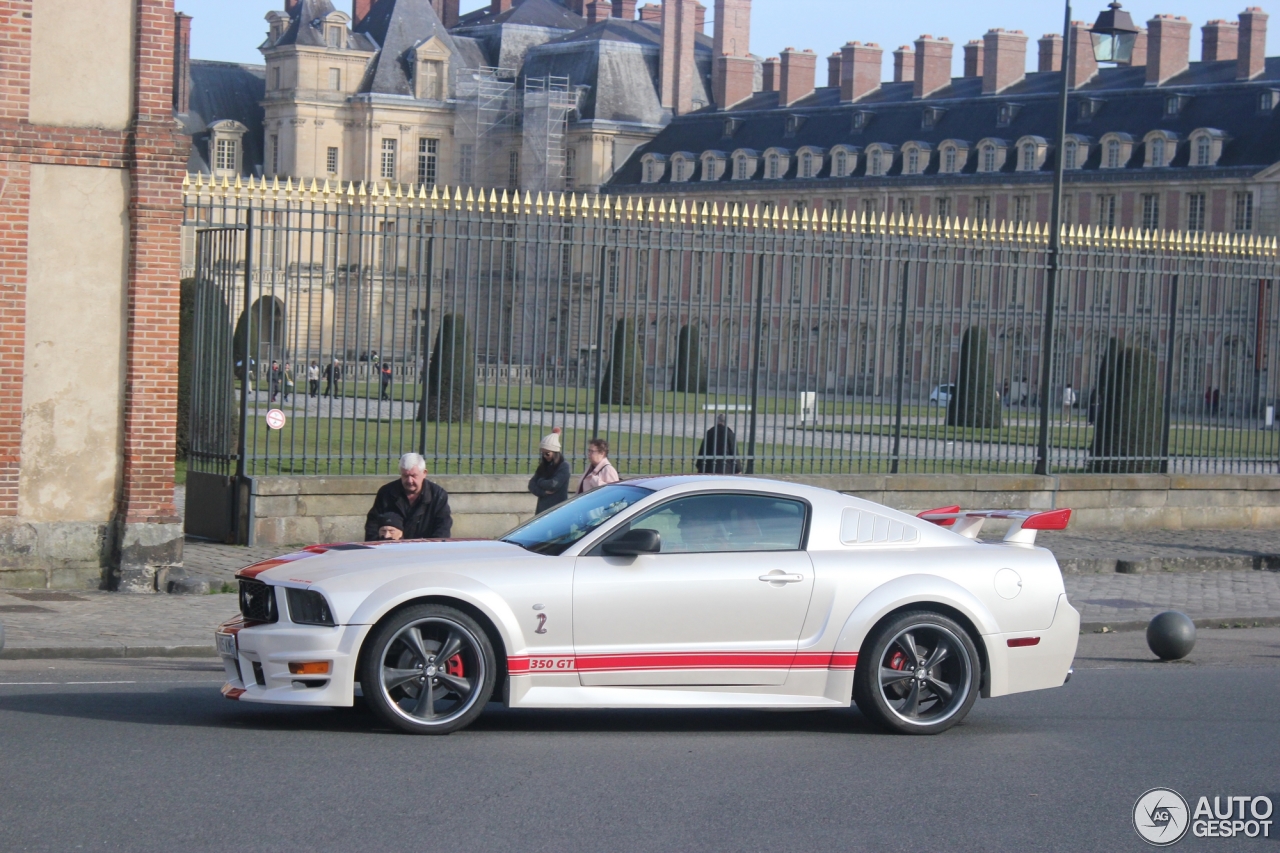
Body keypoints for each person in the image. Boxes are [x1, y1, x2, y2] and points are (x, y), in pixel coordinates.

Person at [364, 452, 453, 541]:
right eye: (405, 476)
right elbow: (372, 525)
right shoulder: (386, 493)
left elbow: (443, 528)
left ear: (424, 473)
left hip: (425, 549)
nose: (410, 481)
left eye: (414, 476)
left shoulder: (437, 495)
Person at [528, 428, 571, 513]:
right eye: (543, 453)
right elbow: (531, 485)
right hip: (542, 509)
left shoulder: (564, 466)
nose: (545, 456)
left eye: (547, 453)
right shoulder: (543, 466)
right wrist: (543, 492)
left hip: (557, 510)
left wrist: (539, 481)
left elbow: (553, 484)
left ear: (555, 452)